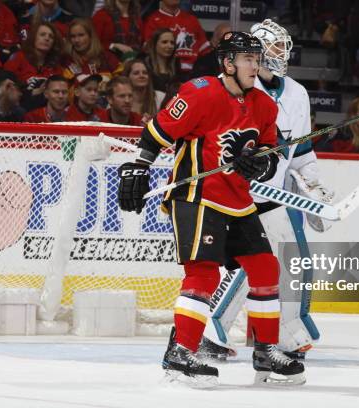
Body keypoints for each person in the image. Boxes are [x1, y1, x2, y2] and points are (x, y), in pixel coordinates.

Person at [116, 32, 305, 386]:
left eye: (257, 59)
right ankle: (181, 353)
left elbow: (271, 152)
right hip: (197, 195)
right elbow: (156, 133)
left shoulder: (264, 105)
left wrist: (258, 167)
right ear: (228, 63)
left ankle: (264, 351)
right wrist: (138, 166)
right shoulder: (200, 93)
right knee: (204, 274)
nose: (255, 65)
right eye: (248, 59)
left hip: (238, 201)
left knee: (265, 268)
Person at [199, 19, 329, 362]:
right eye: (270, 48)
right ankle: (212, 330)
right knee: (248, 266)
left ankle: (287, 334)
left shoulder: (298, 94)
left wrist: (313, 187)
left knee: (295, 262)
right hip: (237, 195)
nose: (277, 55)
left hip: (274, 197)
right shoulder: (233, 90)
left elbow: (301, 151)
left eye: (280, 48)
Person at [4, 22, 64, 111]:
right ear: (33, 38)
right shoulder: (19, 57)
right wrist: (35, 92)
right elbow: (6, 87)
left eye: (51, 37)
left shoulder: (56, 67)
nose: (47, 38)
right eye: (42, 35)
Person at [142, 0, 210, 74]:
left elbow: (205, 51)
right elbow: (149, 50)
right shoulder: (152, 20)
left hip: (194, 72)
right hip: (167, 71)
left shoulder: (192, 20)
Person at [62, 18, 124, 84]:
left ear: (91, 36)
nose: (77, 40)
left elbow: (120, 81)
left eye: (81, 35)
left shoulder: (107, 57)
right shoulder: (66, 60)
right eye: (73, 36)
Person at [144, 28, 181, 93]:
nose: (170, 46)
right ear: (154, 44)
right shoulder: (145, 65)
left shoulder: (177, 65)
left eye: (172, 43)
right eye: (164, 42)